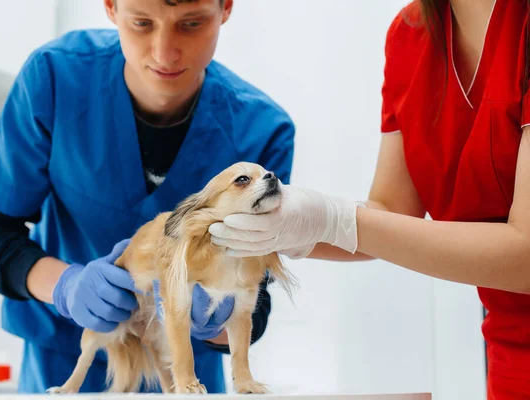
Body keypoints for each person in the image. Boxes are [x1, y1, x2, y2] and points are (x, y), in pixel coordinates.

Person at [0, 0, 295, 394]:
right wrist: (67, 287)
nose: (164, 52)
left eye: (190, 24)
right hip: (64, 360)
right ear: (110, 7)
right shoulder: (54, 78)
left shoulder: (261, 131)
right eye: (141, 23)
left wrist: (214, 319)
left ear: (225, 7)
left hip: (183, 372)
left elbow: (256, 294)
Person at [209, 0, 530, 398]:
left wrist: (330, 220)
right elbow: (392, 211)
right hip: (508, 354)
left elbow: (526, 254)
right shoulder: (413, 32)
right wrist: (287, 229)